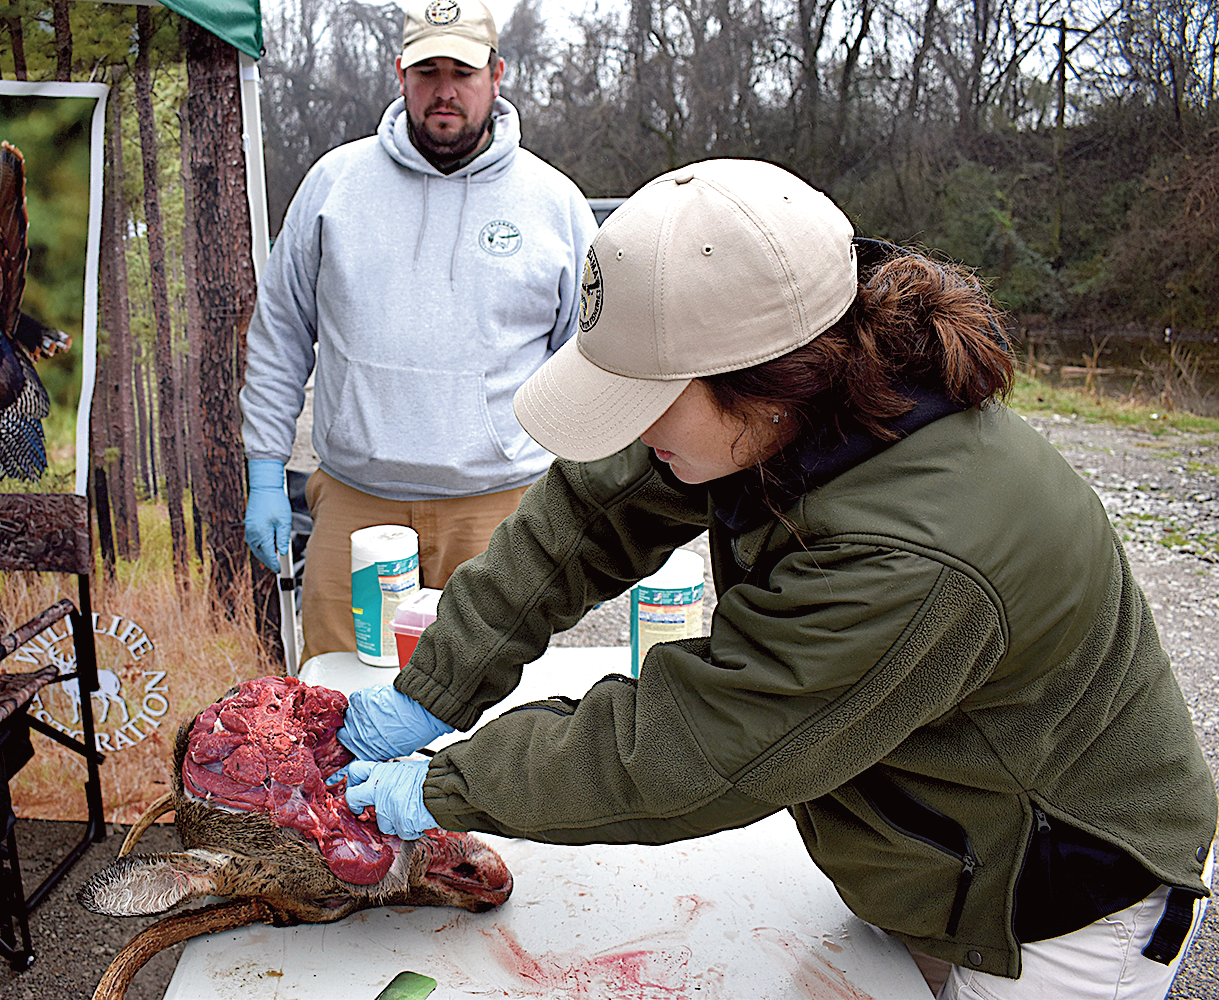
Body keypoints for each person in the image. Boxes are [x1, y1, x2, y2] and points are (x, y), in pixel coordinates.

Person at [337, 158, 1218, 999]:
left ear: (764, 382)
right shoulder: (790, 402)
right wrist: (439, 683)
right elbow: (593, 507)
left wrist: (445, 786)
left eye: (646, 405)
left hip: (1047, 896)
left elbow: (697, 746)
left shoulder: (912, 557)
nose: (637, 432)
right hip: (932, 845)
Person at [241, 0, 596, 662]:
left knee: (497, 710)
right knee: (337, 701)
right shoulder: (333, 187)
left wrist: (584, 492)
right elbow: (281, 333)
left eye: (461, 72)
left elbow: (589, 358)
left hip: (501, 508)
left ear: (497, 74)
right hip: (356, 504)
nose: (445, 92)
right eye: (427, 71)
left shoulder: (555, 205)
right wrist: (266, 471)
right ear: (400, 73)